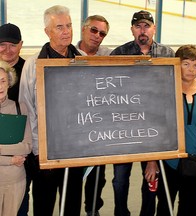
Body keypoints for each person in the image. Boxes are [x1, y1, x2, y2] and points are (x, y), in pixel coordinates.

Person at [19, 5, 84, 216]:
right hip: (45, 153)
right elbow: (26, 108)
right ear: (47, 31)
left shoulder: (83, 59)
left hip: (76, 151)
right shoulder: (33, 64)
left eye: (69, 25)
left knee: (72, 204)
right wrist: (38, 150)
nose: (66, 31)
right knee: (44, 205)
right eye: (59, 27)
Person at [110, 10, 175, 216]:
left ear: (154, 28)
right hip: (124, 128)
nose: (142, 30)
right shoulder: (119, 54)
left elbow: (171, 97)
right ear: (132, 29)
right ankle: (121, 212)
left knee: (151, 178)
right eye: (138, 26)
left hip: (153, 129)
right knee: (119, 180)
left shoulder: (167, 55)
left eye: (146, 26)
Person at [156, 45, 196, 216]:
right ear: (177, 64)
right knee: (164, 206)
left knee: (191, 208)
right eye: (186, 64)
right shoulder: (165, 91)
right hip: (170, 161)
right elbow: (155, 129)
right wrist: (152, 162)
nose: (191, 69)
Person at [77, 14, 112, 216]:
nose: (97, 36)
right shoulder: (68, 54)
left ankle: (93, 209)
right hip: (75, 126)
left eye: (102, 33)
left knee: (98, 176)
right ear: (84, 29)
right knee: (73, 176)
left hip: (99, 128)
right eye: (94, 30)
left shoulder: (109, 55)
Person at [0, 22, 31, 216]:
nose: (8, 50)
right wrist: (10, 159)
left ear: (21, 45)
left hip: (21, 165)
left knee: (21, 205)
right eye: (3, 44)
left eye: (13, 45)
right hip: (13, 160)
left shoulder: (29, 69)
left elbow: (26, 144)